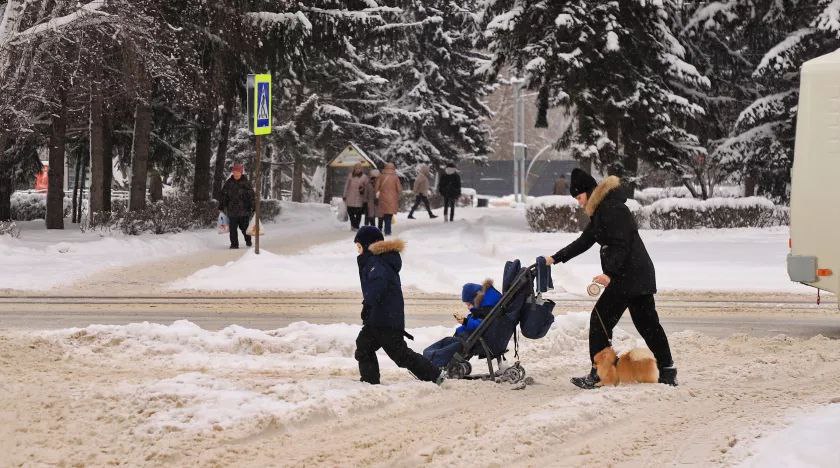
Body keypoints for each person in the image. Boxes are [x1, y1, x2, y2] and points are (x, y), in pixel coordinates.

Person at [544, 168, 677, 388]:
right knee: (648, 324)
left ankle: (601, 373)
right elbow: (584, 241)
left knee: (600, 320)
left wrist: (609, 274)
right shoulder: (602, 211)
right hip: (636, 275)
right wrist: (554, 258)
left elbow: (621, 244)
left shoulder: (611, 209)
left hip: (626, 276)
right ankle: (667, 370)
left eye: (579, 197)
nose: (578, 203)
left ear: (588, 192)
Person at [353, 226, 444, 385]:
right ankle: (369, 381)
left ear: (368, 246)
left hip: (386, 319)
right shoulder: (375, 260)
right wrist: (368, 306)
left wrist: (368, 304)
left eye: (359, 247)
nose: (358, 251)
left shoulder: (376, 262)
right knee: (363, 346)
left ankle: (434, 375)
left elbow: (377, 285)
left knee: (400, 355)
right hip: (379, 318)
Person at [423, 280, 502, 367]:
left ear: (474, 299)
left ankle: (430, 362)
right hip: (481, 338)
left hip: (479, 341)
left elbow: (481, 324)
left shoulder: (487, 307)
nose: (468, 307)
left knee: (452, 345)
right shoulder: (488, 302)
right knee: (447, 341)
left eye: (468, 304)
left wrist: (465, 321)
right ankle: (429, 358)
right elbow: (482, 321)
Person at [219, 163, 255, 249]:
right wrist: (221, 206)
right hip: (232, 210)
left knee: (244, 228)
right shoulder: (228, 183)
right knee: (232, 229)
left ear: (241, 173)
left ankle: (248, 241)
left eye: (238, 172)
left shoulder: (246, 183)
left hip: (244, 210)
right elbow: (223, 195)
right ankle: (234, 245)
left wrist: (254, 207)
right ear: (232, 172)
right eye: (235, 172)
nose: (236, 174)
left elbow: (252, 196)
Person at [375, 163, 401, 236]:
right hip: (392, 198)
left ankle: (380, 228)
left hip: (383, 197)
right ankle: (388, 231)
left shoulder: (381, 176)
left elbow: (376, 188)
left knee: (383, 214)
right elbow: (399, 189)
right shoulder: (395, 177)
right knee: (389, 215)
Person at [343, 164, 368, 231]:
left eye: (359, 168)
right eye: (356, 168)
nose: (358, 169)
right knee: (350, 212)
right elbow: (346, 186)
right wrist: (344, 195)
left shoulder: (364, 177)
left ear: (361, 169)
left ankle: (356, 227)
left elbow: (367, 187)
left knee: (358, 213)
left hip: (359, 197)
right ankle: (354, 225)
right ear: (354, 169)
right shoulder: (350, 175)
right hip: (350, 197)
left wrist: (363, 188)